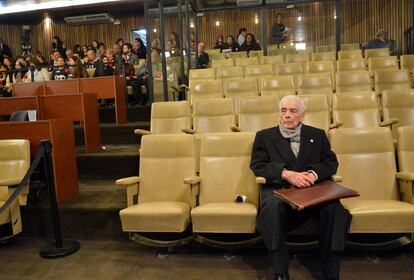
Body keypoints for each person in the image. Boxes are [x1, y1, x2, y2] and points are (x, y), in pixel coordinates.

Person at [250, 95, 352, 280]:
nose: (287, 115)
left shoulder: (317, 135)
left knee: (334, 209)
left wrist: (313, 174)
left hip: (312, 191)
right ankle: (280, 271)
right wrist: (286, 173)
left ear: (302, 116)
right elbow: (258, 165)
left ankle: (331, 271)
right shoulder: (264, 136)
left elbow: (330, 162)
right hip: (280, 190)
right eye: (283, 110)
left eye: (293, 111)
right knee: (272, 208)